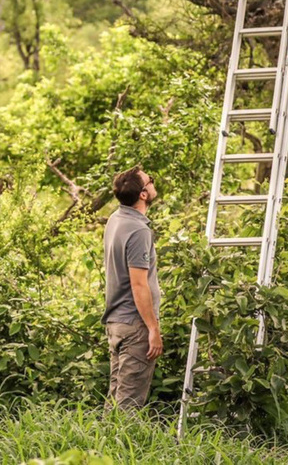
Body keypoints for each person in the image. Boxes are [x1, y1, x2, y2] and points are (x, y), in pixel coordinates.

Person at [102, 165, 162, 411]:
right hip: (134, 325)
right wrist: (152, 329)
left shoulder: (116, 219)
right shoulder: (138, 231)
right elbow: (139, 285)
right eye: (150, 181)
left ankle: (97, 449)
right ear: (143, 195)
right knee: (127, 406)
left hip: (117, 323)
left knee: (115, 401)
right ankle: (118, 450)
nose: (153, 183)